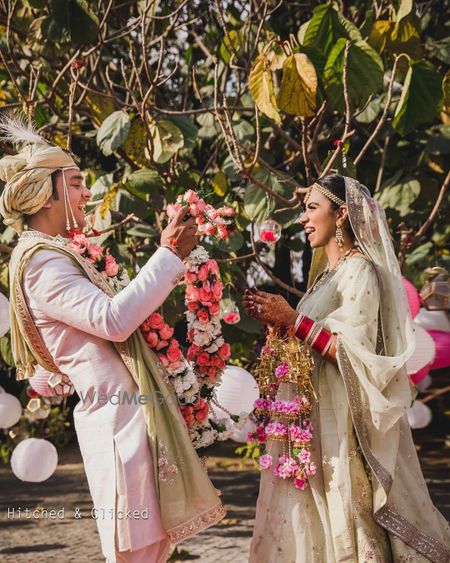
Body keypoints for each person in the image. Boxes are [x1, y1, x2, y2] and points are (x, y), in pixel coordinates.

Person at [0, 116, 225, 563]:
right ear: (47, 194)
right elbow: (113, 320)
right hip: (118, 427)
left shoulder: (55, 255)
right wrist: (167, 255)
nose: (88, 194)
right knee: (136, 556)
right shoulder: (43, 263)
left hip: (128, 421)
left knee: (151, 552)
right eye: (77, 184)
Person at [243, 174, 450, 562]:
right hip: (313, 423)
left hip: (341, 427)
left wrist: (294, 320)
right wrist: (280, 324)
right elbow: (310, 340)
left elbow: (355, 352)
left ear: (340, 215)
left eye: (311, 208)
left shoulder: (360, 272)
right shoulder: (327, 277)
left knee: (345, 513)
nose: (303, 219)